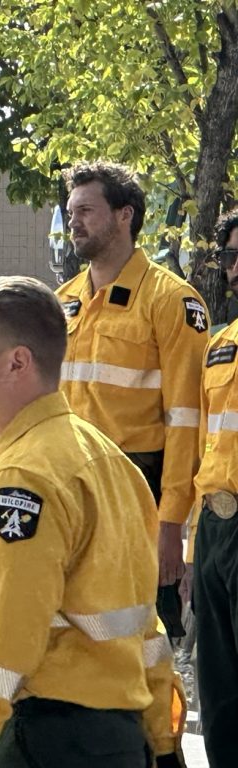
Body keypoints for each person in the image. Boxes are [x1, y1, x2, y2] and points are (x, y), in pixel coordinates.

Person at [0, 276, 180, 768]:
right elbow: (146, 627)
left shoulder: (23, 477)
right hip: (116, 737)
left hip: (42, 738)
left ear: (18, 361)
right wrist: (164, 742)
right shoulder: (105, 457)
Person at [57, 161, 207, 641]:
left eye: (86, 210)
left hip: (139, 485)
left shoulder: (169, 300)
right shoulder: (61, 302)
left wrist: (171, 524)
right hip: (69, 483)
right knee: (75, 634)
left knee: (143, 637)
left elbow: (186, 419)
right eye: (70, 210)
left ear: (125, 215)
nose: (73, 221)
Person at [187, 206, 238, 765]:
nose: (236, 266)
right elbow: (208, 446)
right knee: (220, 693)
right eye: (229, 256)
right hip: (216, 529)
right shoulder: (221, 343)